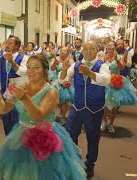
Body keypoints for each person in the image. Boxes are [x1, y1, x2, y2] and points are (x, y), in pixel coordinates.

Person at [0, 54, 86, 180]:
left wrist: (25, 98)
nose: (31, 71)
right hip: (21, 135)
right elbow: (3, 109)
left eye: (36, 67)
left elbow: (37, 116)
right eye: (29, 67)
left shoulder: (52, 91)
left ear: (45, 70)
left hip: (44, 139)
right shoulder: (20, 85)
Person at [60, 40, 111, 178]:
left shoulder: (102, 65)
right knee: (70, 136)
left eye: (92, 48)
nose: (88, 51)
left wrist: (90, 73)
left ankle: (90, 165)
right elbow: (63, 81)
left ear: (97, 50)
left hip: (95, 109)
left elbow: (106, 80)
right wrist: (64, 70)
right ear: (82, 50)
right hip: (77, 107)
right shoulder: (75, 65)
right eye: (86, 48)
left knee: (93, 138)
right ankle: (74, 161)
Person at [0, 36, 29, 135]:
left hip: (17, 94)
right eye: (6, 43)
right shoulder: (1, 58)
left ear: (17, 46)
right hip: (4, 92)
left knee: (16, 120)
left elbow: (23, 73)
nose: (7, 45)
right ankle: (8, 141)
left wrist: (12, 62)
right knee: (5, 119)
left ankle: (16, 144)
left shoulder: (24, 58)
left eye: (10, 43)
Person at [101, 41, 137, 133]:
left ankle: (111, 124)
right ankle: (104, 120)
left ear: (115, 47)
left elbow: (121, 68)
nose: (110, 47)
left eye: (112, 45)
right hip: (105, 82)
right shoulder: (103, 57)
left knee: (114, 105)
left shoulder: (120, 57)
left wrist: (116, 60)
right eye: (108, 45)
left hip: (115, 82)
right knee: (104, 104)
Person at [50, 47, 75, 125]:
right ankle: (58, 112)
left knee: (64, 100)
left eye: (64, 51)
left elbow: (73, 70)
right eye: (61, 51)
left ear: (67, 53)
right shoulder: (57, 58)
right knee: (55, 100)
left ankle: (63, 117)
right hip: (57, 81)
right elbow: (52, 69)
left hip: (66, 80)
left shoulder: (70, 59)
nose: (62, 52)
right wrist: (55, 62)